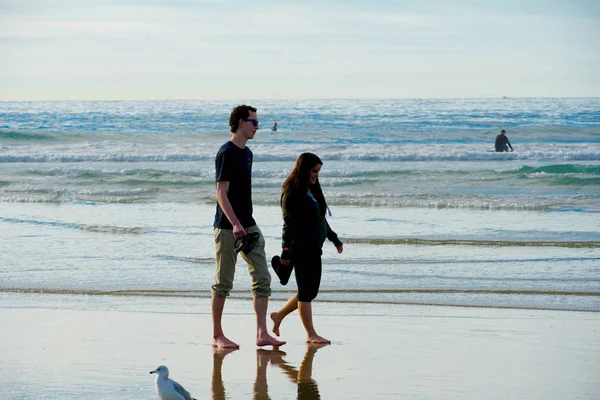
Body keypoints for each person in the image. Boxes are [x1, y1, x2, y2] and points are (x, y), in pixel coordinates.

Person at [212, 104, 286, 349]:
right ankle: (217, 335)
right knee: (223, 283)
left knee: (263, 278)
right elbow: (221, 194)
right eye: (254, 122)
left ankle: (262, 332)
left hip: (250, 225)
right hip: (226, 227)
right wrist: (234, 224)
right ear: (241, 123)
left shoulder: (248, 153)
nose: (257, 126)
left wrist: (244, 223)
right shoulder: (226, 153)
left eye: (257, 122)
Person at [270, 152, 343, 344]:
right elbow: (288, 224)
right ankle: (311, 334)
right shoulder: (292, 193)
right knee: (306, 293)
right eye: (313, 171)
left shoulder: (312, 191)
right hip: (300, 248)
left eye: (318, 172)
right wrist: (286, 251)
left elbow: (321, 220)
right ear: (303, 170)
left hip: (313, 248)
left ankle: (279, 316)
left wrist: (334, 239)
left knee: (309, 291)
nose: (316, 175)